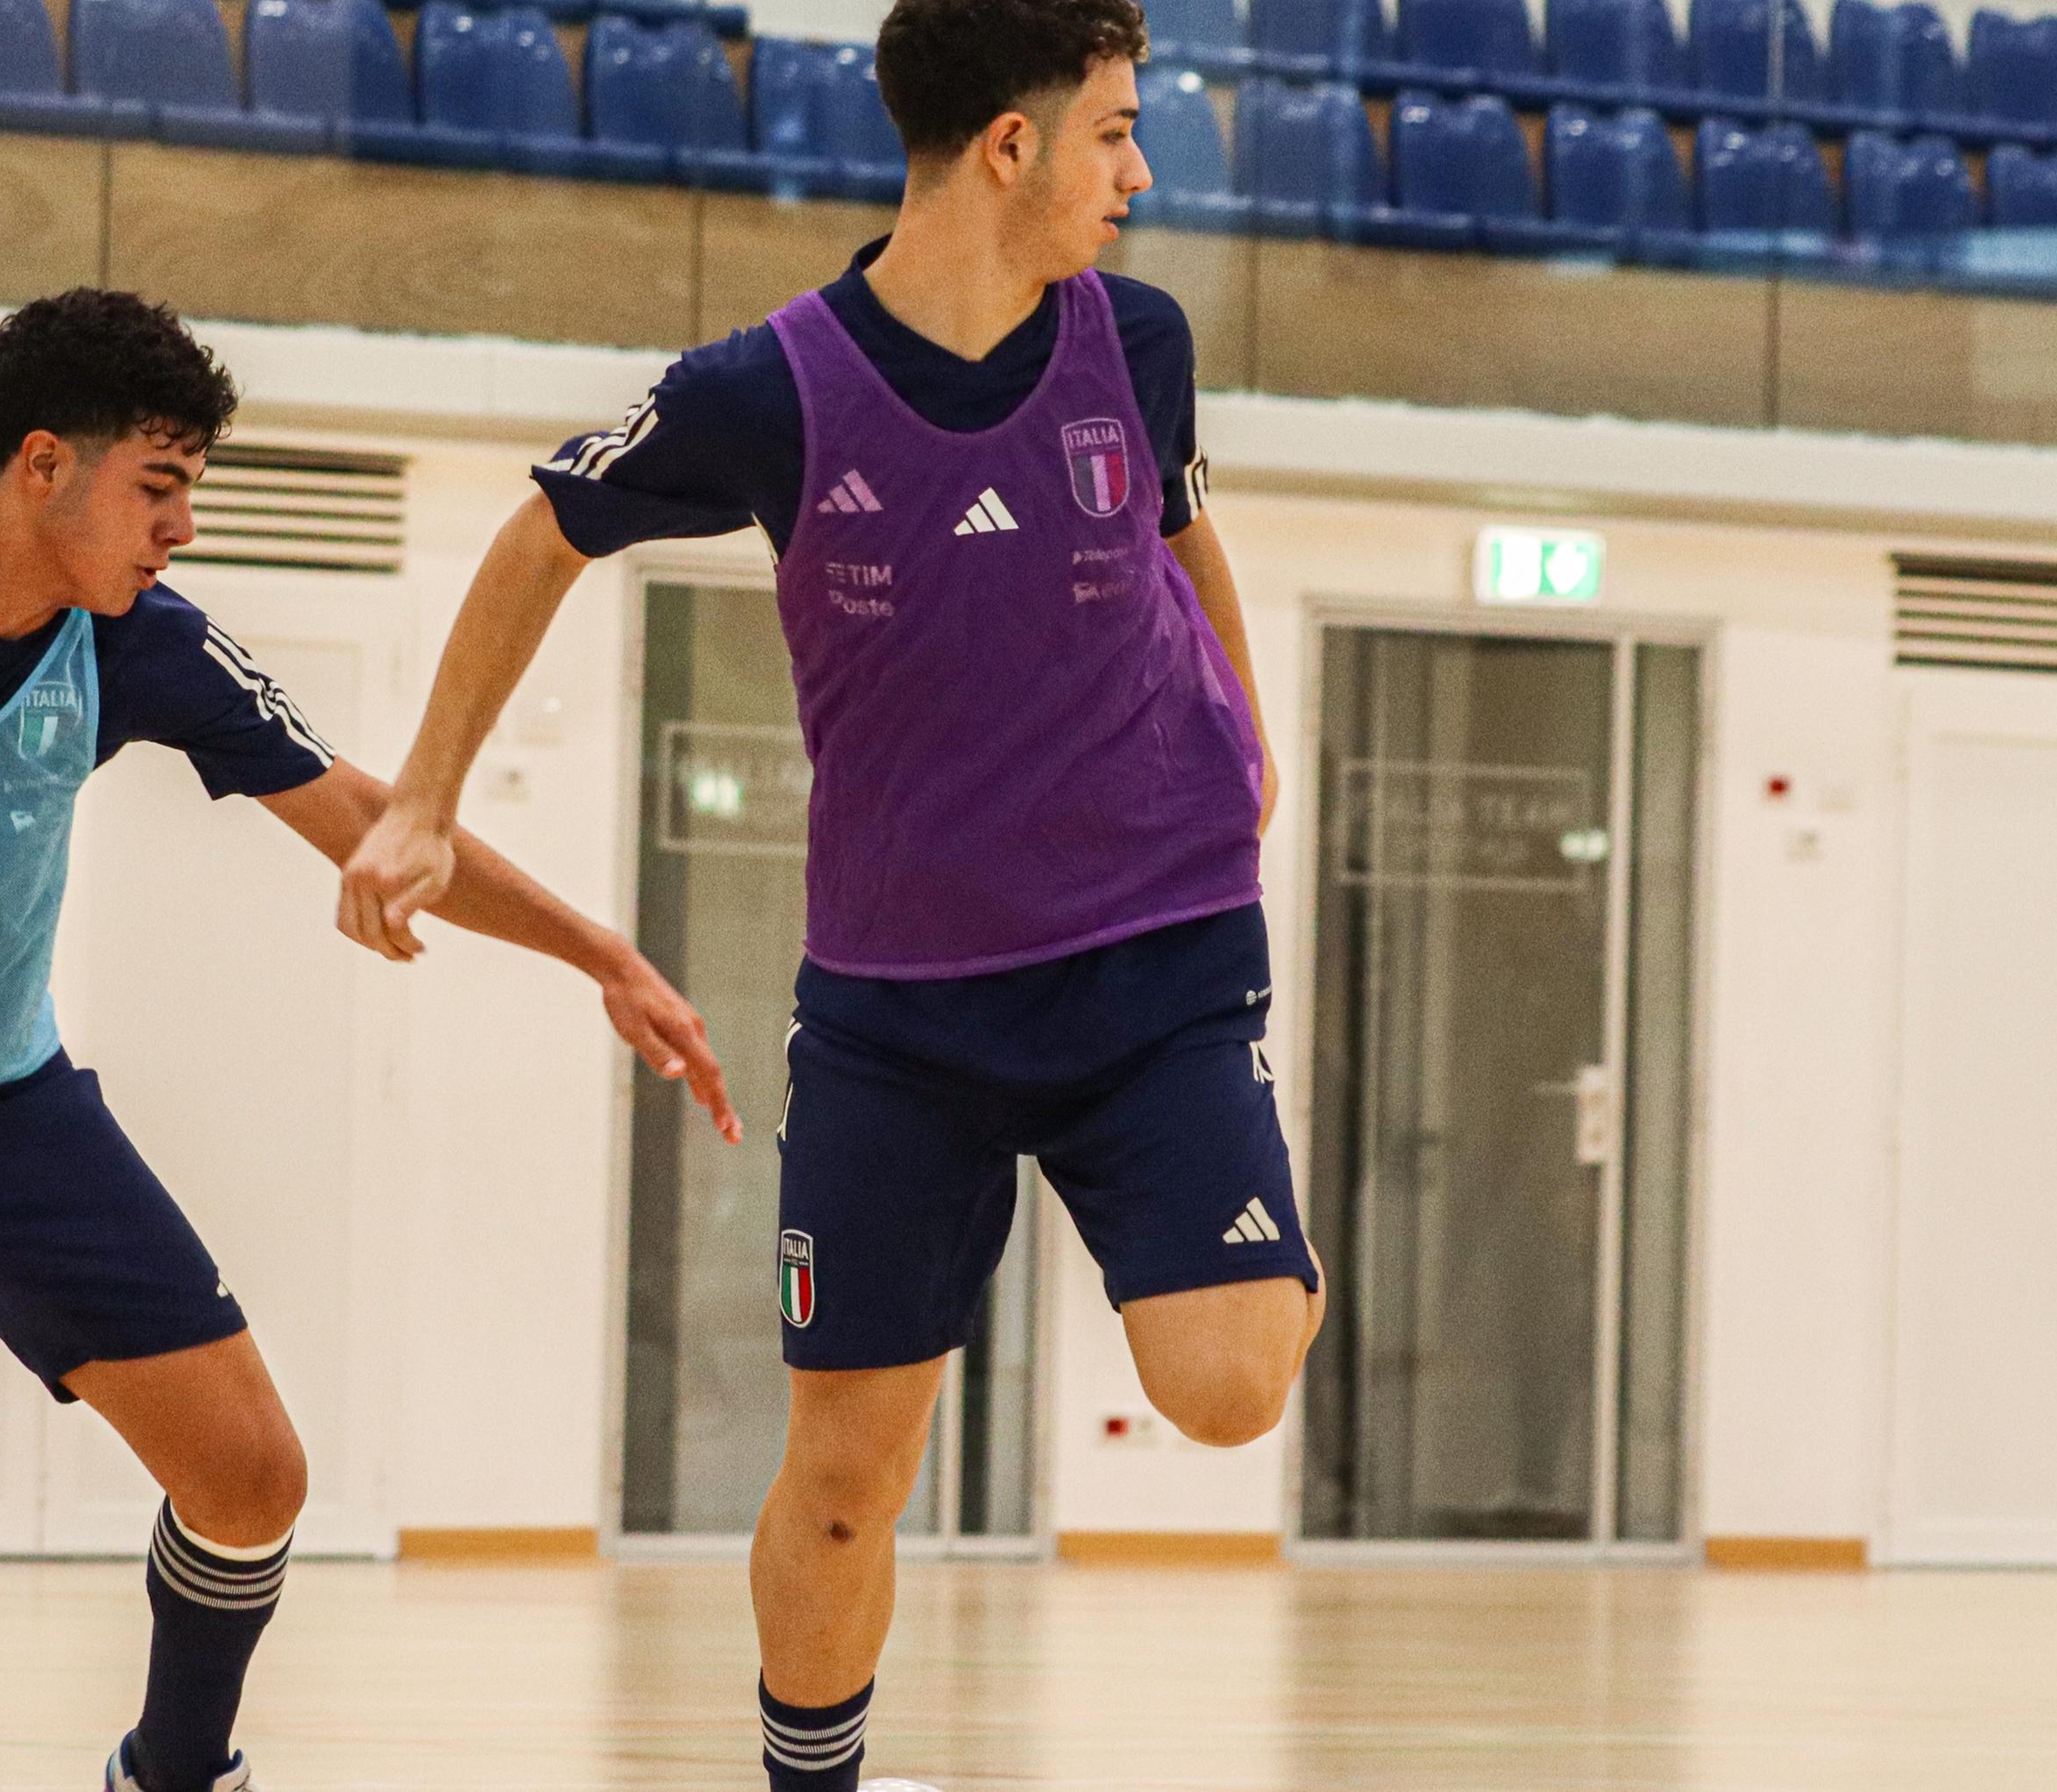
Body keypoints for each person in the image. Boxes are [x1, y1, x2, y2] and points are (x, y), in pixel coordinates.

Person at [336, 0, 1323, 1782]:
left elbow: (1182, 534)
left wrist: (1246, 735)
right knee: (851, 1481)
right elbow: (545, 527)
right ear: (1011, 147)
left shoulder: (1139, 340)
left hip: (1156, 961)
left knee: (1231, 1383)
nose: (1139, 171)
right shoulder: (770, 392)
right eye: (1114, 131)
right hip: (900, 1013)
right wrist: (422, 799)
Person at [0, 289, 737, 1792]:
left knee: (255, 1474)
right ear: (42, 463)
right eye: (160, 485)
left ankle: (176, 1770)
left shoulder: (138, 643)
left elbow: (372, 813)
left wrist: (603, 952)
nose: (182, 527)